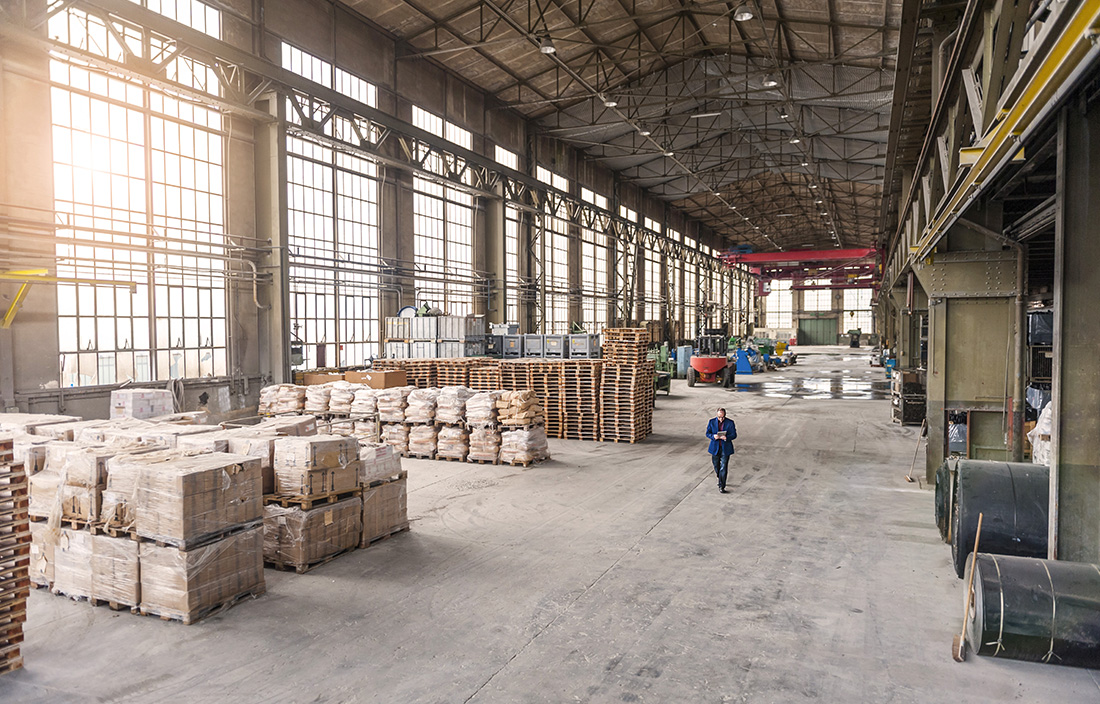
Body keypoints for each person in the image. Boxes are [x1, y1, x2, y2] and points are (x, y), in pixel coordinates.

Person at [705, 408, 737, 493]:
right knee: (716, 466)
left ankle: (721, 486)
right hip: (715, 448)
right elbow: (707, 433)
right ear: (717, 415)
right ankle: (720, 477)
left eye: (723, 417)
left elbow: (734, 435)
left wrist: (727, 437)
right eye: (719, 417)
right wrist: (713, 436)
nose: (721, 419)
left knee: (724, 467)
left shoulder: (730, 423)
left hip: (725, 448)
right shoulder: (711, 422)